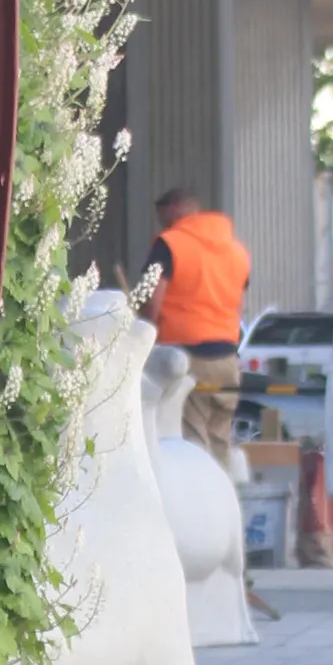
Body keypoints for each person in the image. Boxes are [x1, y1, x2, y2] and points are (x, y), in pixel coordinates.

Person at [135, 186, 249, 468]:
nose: (159, 221)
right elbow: (239, 305)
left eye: (160, 214)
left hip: (188, 359)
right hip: (226, 359)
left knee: (192, 442)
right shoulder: (236, 250)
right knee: (220, 441)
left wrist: (141, 334)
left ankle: (201, 509)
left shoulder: (170, 244)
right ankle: (224, 505)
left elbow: (152, 301)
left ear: (173, 209)